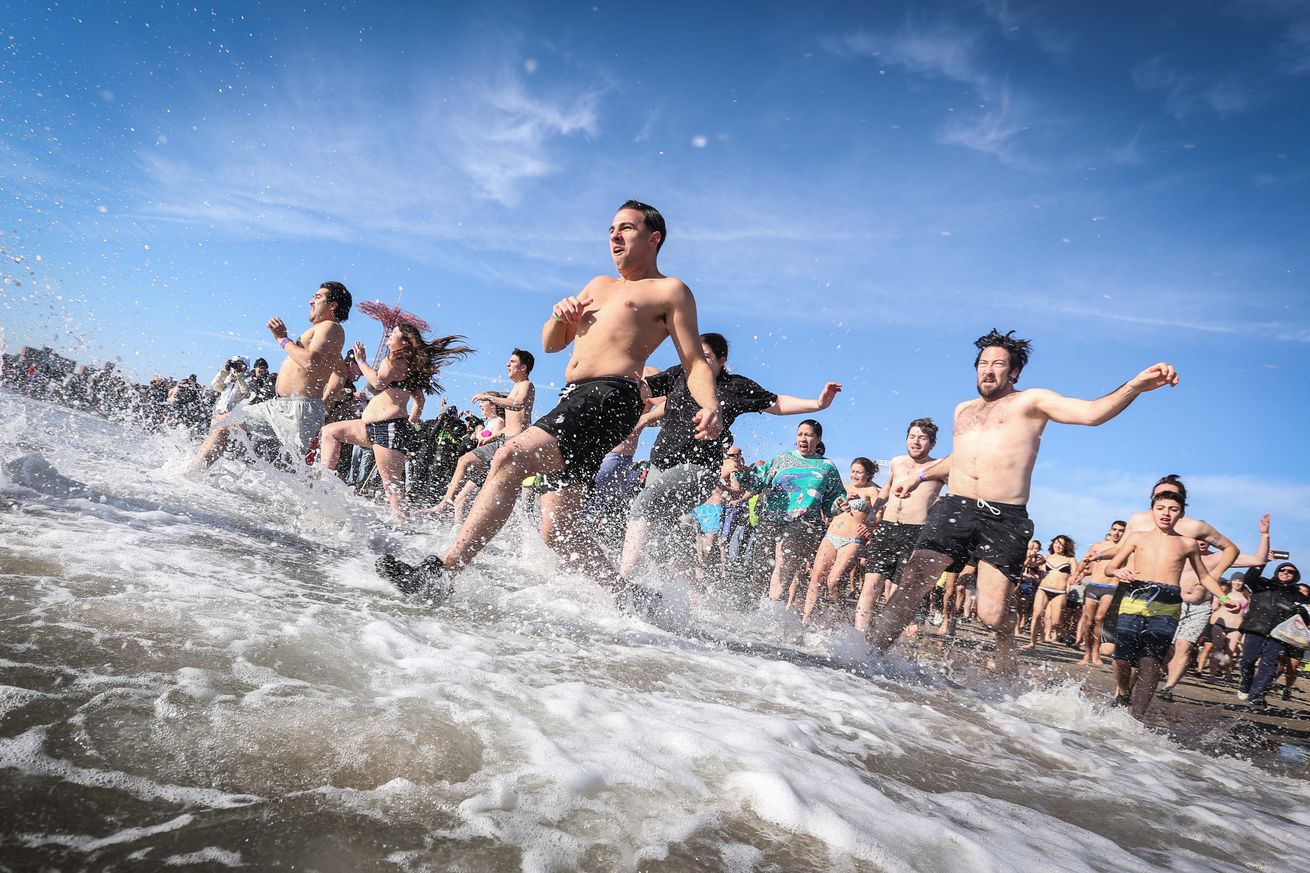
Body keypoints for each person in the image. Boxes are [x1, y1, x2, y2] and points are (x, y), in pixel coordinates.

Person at [378, 200, 722, 608]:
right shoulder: (597, 285)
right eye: (611, 228)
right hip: (576, 397)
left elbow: (693, 360)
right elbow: (551, 344)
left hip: (611, 394)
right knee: (558, 528)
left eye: (626, 228)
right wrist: (561, 316)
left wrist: (710, 403)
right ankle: (628, 597)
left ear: (653, 237)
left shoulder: (669, 290)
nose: (614, 235)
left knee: (509, 457)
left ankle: (442, 573)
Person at [870, 329, 1180, 674]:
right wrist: (922, 475)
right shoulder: (964, 410)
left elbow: (1092, 413)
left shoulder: (1031, 402)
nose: (988, 370)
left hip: (1004, 518)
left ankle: (1006, 648)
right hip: (956, 506)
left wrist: (1134, 385)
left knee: (991, 613)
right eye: (983, 364)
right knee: (913, 580)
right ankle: (869, 658)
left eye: (998, 365)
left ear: (1013, 372)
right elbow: (962, 456)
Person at [618, 331, 840, 582]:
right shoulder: (681, 374)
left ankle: (623, 579)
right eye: (695, 356)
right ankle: (670, 592)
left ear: (722, 360)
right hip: (660, 464)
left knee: (644, 504)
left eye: (707, 357)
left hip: (698, 469)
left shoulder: (734, 386)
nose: (699, 362)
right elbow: (645, 388)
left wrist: (818, 404)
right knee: (664, 527)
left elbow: (777, 403)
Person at [191, 282, 352, 470]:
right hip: (278, 406)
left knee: (300, 469)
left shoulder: (331, 327)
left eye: (317, 297)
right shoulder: (324, 331)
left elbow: (310, 362)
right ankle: (193, 472)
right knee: (223, 422)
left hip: (300, 409)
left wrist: (282, 339)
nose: (310, 301)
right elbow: (340, 372)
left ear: (332, 305)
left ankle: (319, 497)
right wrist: (325, 403)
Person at [318, 325, 471, 521]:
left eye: (395, 333)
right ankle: (324, 481)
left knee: (392, 487)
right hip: (375, 427)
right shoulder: (407, 365)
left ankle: (403, 527)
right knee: (330, 432)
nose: (390, 335)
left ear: (404, 341)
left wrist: (361, 361)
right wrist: (411, 422)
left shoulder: (394, 360)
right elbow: (420, 400)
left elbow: (378, 383)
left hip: (388, 428)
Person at [1104, 490, 1227, 719]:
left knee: (1151, 661)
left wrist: (1223, 597)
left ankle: (1136, 719)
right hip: (1135, 595)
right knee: (1122, 656)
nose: (1166, 513)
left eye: (1173, 509)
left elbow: (1205, 576)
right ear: (1152, 511)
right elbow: (1110, 568)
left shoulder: (1187, 543)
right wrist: (1119, 570)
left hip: (1168, 602)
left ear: (1181, 514)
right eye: (1161, 508)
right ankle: (1122, 692)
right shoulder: (1137, 537)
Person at [1156, 514, 1269, 701]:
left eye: (1204, 539)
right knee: (1167, 647)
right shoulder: (1179, 552)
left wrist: (1264, 535)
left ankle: (1169, 687)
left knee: (1184, 646)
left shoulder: (1217, 558)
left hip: (1200, 607)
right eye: (1197, 538)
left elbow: (1258, 560)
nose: (1201, 542)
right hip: (1175, 603)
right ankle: (1162, 669)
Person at [735, 420, 846, 604]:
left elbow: (833, 499)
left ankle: (773, 606)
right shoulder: (782, 459)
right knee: (762, 567)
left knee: (784, 558)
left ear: (818, 439)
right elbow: (757, 482)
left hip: (804, 522)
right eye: (800, 434)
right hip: (771, 519)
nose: (803, 438)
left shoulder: (827, 467)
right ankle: (754, 607)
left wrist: (840, 503)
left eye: (809, 435)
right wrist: (742, 472)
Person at [854, 419, 944, 631]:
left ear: (932, 443)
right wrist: (874, 510)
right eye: (912, 436)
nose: (916, 441)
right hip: (886, 528)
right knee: (870, 586)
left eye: (922, 438)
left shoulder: (938, 468)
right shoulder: (897, 462)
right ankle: (859, 639)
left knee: (896, 593)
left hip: (915, 532)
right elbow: (886, 488)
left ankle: (884, 645)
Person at [438, 349, 538, 511]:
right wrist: (494, 436)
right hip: (502, 441)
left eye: (512, 362)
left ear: (523, 367)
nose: (507, 364)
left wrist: (490, 398)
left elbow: (518, 403)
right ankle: (444, 503)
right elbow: (511, 425)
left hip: (515, 445)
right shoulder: (515, 387)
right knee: (464, 460)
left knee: (493, 486)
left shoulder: (527, 385)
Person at [802, 458, 882, 622]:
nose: (854, 475)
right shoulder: (843, 487)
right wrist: (841, 499)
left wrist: (870, 528)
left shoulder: (873, 491)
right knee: (816, 579)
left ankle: (842, 616)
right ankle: (806, 619)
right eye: (852, 471)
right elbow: (826, 506)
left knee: (833, 582)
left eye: (858, 472)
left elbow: (880, 516)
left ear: (867, 474)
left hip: (853, 540)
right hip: (831, 535)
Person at [1237, 560, 1308, 709]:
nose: (1286, 572)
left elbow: (1306, 613)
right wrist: (1262, 562)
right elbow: (1249, 578)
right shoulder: (1263, 584)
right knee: (1247, 661)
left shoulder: (1296, 594)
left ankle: (1257, 697)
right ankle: (1245, 685)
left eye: (1290, 571)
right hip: (1256, 628)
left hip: (1279, 634)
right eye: (1283, 570)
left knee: (1269, 666)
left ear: (1295, 576)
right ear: (1277, 572)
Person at [1075, 520, 1127, 666]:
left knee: (1100, 619)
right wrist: (1078, 574)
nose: (1117, 532)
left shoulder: (1125, 548)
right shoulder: (1098, 546)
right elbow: (1085, 561)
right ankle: (1086, 653)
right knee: (1088, 621)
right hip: (1094, 585)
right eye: (1114, 529)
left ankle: (1096, 653)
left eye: (1121, 530)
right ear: (1110, 530)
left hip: (1111, 587)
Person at [1025, 535, 1076, 649]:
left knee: (1055, 622)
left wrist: (1075, 577)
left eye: (1061, 544)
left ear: (1066, 546)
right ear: (1052, 544)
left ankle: (1063, 635)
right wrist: (1030, 557)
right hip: (1043, 588)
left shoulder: (1070, 559)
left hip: (1060, 591)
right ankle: (1032, 642)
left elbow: (1076, 571)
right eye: (1056, 543)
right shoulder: (1047, 557)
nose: (1058, 546)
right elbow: (1029, 565)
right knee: (1036, 615)